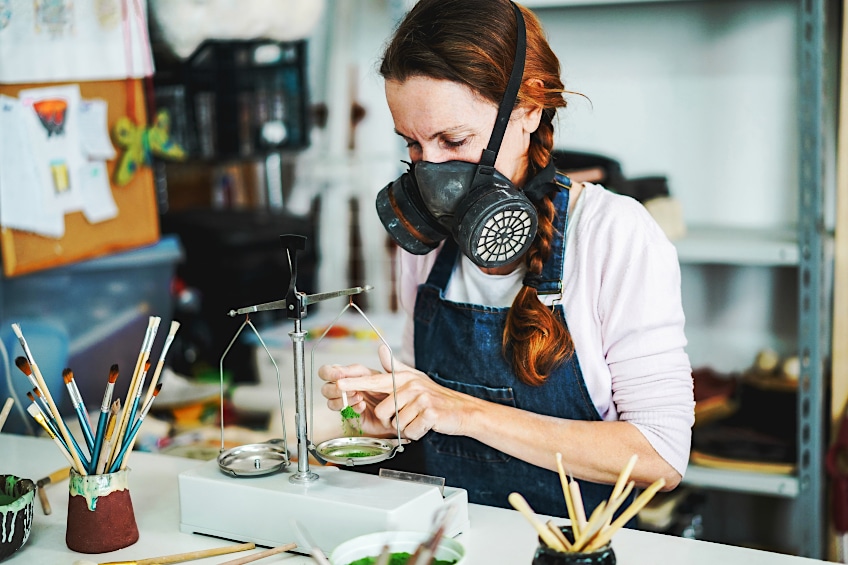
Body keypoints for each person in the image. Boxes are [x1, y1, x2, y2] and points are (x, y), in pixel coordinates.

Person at [319, 0, 694, 520]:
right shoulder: (426, 246)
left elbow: (661, 456)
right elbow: (431, 416)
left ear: (529, 110)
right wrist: (396, 417)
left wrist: (462, 411)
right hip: (448, 541)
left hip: (570, 549)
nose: (430, 174)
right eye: (412, 144)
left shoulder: (615, 234)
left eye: (454, 140)